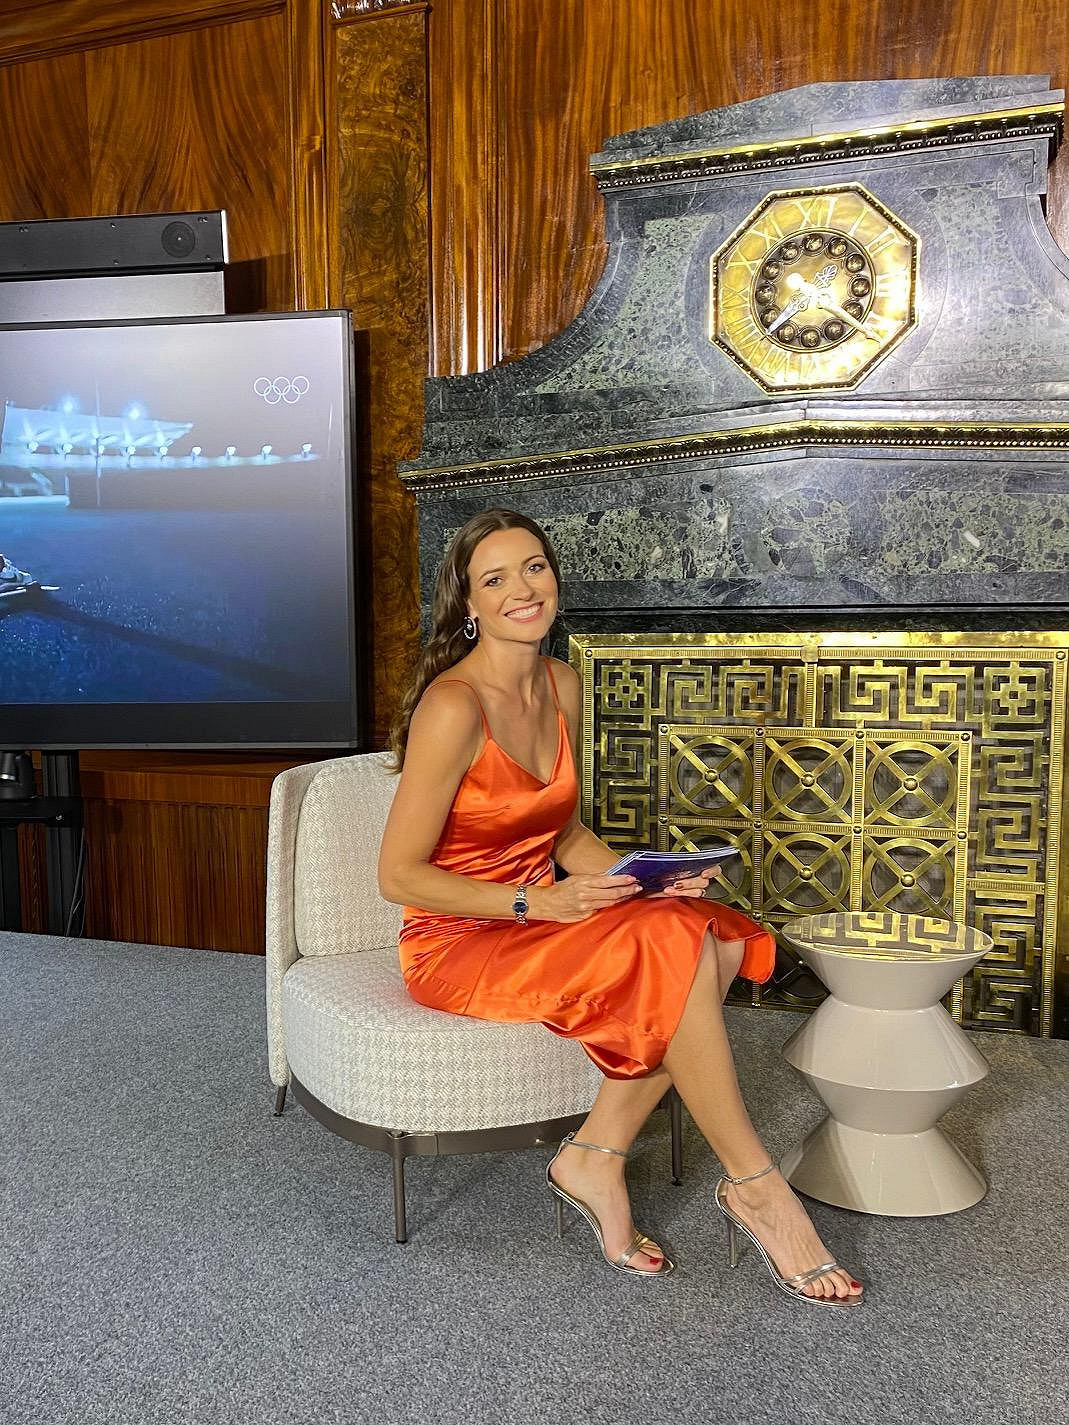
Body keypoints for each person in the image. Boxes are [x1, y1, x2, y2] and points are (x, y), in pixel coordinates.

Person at [378, 508, 863, 1306]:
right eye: (495, 578)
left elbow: (561, 829)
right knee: (678, 948)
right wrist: (538, 900)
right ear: (468, 604)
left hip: (546, 910)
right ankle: (756, 1186)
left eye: (534, 566)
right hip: (460, 938)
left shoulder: (561, 682)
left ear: (554, 576)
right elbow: (398, 875)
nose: (522, 589)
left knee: (712, 933)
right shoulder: (452, 705)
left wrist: (645, 882)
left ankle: (595, 1155)